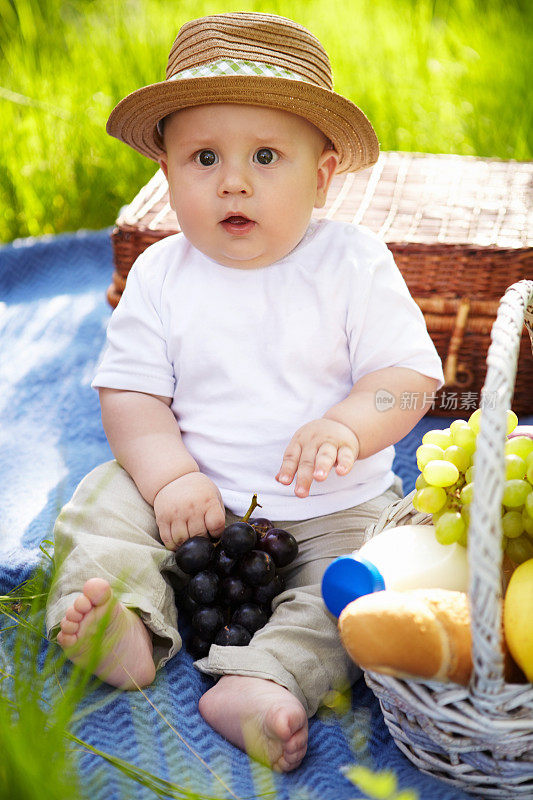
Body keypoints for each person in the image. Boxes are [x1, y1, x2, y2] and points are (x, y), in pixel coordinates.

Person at [46, 12, 444, 773]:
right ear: (165, 171)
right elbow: (131, 396)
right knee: (101, 502)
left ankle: (262, 679)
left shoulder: (352, 261)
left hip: (333, 504)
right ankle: (122, 621)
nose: (233, 180)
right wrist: (169, 477)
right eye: (203, 157)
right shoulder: (161, 275)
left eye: (266, 155)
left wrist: (349, 426)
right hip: (190, 490)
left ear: (321, 174)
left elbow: (407, 383)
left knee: (369, 581)